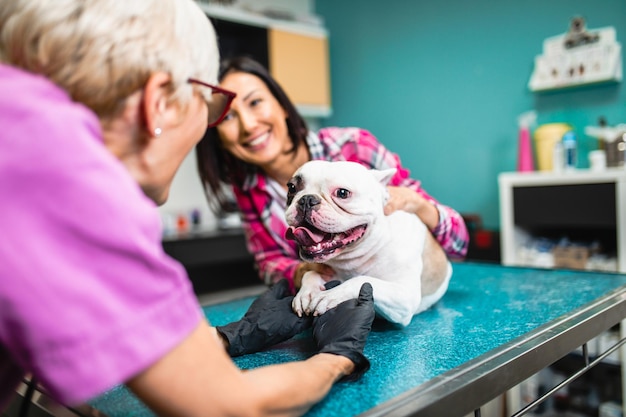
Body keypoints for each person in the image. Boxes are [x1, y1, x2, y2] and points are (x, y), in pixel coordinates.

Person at [0, 1, 376, 416]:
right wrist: (338, 357)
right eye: (211, 106)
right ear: (160, 101)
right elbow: (230, 406)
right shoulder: (69, 181)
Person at [196, 56, 469, 291]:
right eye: (229, 117)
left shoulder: (354, 148)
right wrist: (304, 274)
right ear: (216, 134)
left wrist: (418, 204)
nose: (248, 125)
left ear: (281, 105)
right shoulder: (249, 187)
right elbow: (269, 263)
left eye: (255, 102)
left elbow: (459, 244)